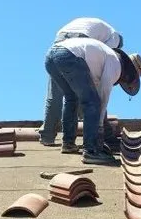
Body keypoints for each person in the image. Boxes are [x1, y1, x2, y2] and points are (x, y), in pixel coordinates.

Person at [44, 36, 141, 165]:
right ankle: (91, 151)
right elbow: (103, 96)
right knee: (93, 103)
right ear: (128, 73)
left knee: (71, 98)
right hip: (69, 56)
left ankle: (68, 143)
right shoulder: (116, 64)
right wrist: (100, 129)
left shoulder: (103, 57)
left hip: (51, 56)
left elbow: (93, 88)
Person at [39, 17, 123, 147]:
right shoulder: (115, 38)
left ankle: (48, 136)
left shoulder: (100, 27)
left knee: (60, 95)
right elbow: (103, 62)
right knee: (90, 98)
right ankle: (93, 142)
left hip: (58, 43)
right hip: (75, 45)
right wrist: (100, 125)